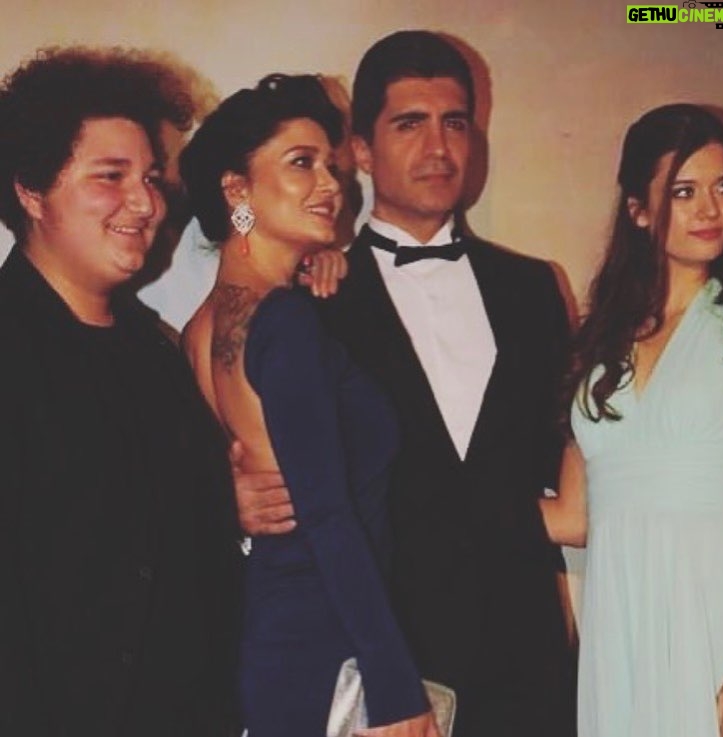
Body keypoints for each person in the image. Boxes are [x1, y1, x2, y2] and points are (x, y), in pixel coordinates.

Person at [240, 31, 577, 737]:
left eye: (455, 123)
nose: (438, 148)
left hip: (528, 661)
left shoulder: (535, 290)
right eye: (409, 124)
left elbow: (571, 456)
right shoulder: (313, 296)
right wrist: (229, 489)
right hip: (384, 663)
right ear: (361, 150)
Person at [178, 73, 437, 737]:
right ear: (237, 189)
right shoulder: (285, 321)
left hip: (274, 634)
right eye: (301, 163)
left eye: (332, 166)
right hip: (329, 644)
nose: (331, 184)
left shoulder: (198, 328)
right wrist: (395, 686)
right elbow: (327, 514)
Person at [0, 47, 241, 736]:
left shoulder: (155, 352)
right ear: (31, 191)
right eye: (111, 176)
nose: (145, 202)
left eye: (150, 178)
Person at [541, 103, 723, 737]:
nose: (710, 209)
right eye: (684, 191)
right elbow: (573, 516)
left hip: (721, 620)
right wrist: (428, 500)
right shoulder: (599, 342)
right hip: (621, 626)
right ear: (638, 210)